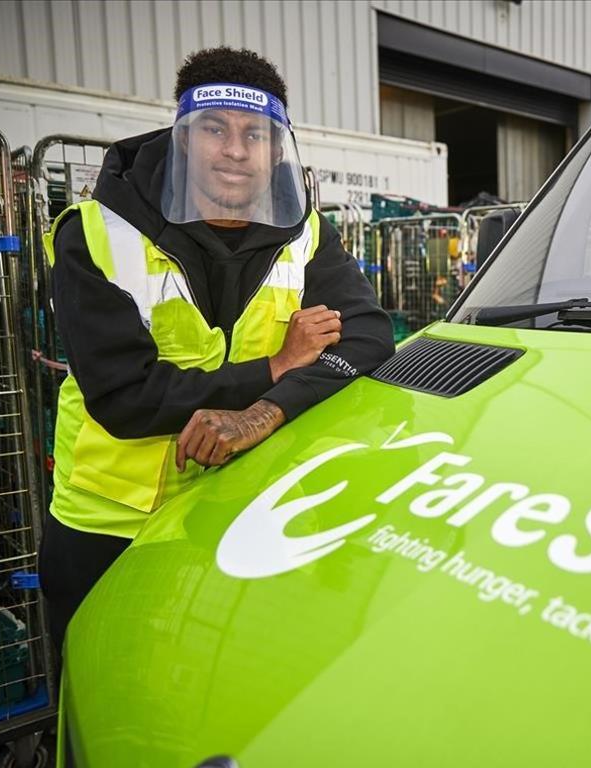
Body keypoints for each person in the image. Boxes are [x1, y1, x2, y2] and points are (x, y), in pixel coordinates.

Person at [37, 47, 395, 656]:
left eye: (254, 133)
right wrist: (274, 368)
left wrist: (264, 412)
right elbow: (123, 397)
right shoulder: (96, 233)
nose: (235, 149)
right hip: (111, 524)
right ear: (182, 140)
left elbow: (368, 336)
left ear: (276, 149)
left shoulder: (304, 232)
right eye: (214, 128)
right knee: (98, 681)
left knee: (209, 674)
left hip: (235, 509)